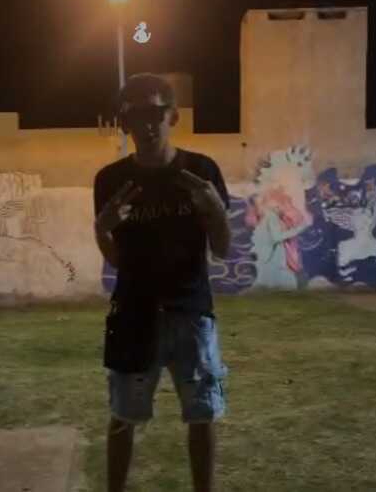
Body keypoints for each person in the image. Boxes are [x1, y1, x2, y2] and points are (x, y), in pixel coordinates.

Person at [93, 73, 231, 492]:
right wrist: (102, 229)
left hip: (192, 312)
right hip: (133, 316)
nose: (147, 124)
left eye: (155, 113)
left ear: (173, 116)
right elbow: (117, 260)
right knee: (123, 417)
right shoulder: (110, 180)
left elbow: (222, 248)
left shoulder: (201, 171)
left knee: (202, 415)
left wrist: (214, 210)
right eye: (136, 115)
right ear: (124, 122)